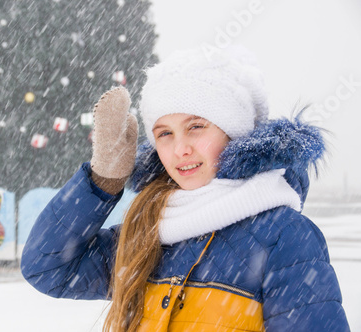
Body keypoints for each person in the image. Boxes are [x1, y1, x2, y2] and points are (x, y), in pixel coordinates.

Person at [21, 46, 350, 331]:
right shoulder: (148, 231)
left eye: (195, 127)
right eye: (164, 133)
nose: (180, 150)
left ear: (234, 132)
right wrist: (104, 179)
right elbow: (49, 267)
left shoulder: (284, 237)